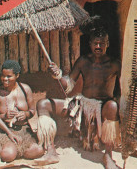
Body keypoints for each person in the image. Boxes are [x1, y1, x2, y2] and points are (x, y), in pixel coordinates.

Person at [35, 26, 121, 169]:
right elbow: (68, 85)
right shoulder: (83, 61)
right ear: (90, 44)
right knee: (43, 104)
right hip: (82, 107)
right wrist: (58, 75)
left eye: (102, 43)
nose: (98, 46)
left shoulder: (115, 64)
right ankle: (51, 150)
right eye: (95, 43)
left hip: (104, 108)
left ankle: (108, 155)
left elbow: (124, 87)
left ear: (107, 44)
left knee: (113, 106)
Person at [0, 60, 44, 162]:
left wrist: (25, 114)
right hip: (3, 131)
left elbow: (32, 110)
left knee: (38, 150)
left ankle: (14, 150)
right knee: (8, 155)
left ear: (17, 75)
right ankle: (8, 150)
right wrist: (4, 116)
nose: (5, 79)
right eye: (3, 76)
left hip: (23, 130)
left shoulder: (25, 89)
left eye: (9, 76)